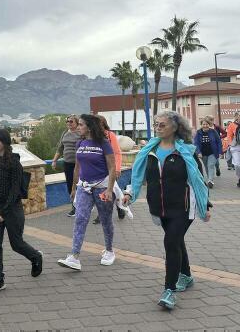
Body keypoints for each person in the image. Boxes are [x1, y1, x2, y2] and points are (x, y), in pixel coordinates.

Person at [124, 110, 211, 310]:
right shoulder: (149, 151)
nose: (158, 128)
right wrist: (130, 193)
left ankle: (169, 290)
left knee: (170, 242)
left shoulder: (186, 151)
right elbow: (138, 176)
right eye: (156, 124)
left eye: (162, 124)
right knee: (176, 241)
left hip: (183, 208)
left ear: (175, 127)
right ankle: (186, 276)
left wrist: (206, 205)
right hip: (159, 208)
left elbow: (199, 180)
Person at [0, 129, 43, 294]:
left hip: (12, 209)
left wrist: (3, 212)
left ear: (4, 142)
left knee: (16, 244)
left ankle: (36, 257)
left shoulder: (14, 163)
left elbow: (15, 191)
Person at [57, 114, 117, 271]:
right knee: (80, 218)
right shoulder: (80, 143)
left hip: (102, 187)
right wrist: (73, 188)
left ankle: (109, 251)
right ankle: (74, 257)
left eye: (81, 125)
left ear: (89, 127)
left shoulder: (104, 143)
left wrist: (110, 189)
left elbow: (112, 167)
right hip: (84, 187)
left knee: (105, 220)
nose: (78, 127)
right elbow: (77, 167)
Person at [93, 115, 123, 223]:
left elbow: (117, 153)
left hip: (111, 169)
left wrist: (118, 169)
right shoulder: (93, 137)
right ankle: (101, 214)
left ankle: (119, 207)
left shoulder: (110, 135)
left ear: (103, 124)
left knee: (113, 190)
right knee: (100, 192)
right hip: (99, 170)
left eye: (98, 123)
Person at [51, 115, 81, 217]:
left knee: (79, 184)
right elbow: (60, 148)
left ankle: (82, 205)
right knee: (69, 184)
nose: (68, 123)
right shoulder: (65, 133)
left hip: (79, 163)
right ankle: (74, 206)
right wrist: (54, 161)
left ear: (76, 123)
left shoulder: (81, 134)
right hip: (67, 163)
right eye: (67, 121)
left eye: (71, 121)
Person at [194, 118, 222, 189]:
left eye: (206, 124)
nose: (205, 125)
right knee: (206, 166)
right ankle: (210, 178)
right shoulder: (198, 132)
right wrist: (198, 152)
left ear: (209, 125)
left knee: (210, 165)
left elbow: (218, 142)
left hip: (213, 152)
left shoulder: (213, 131)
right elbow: (196, 143)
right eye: (203, 124)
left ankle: (210, 181)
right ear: (201, 125)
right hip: (203, 153)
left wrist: (220, 152)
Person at [227, 112, 240, 186]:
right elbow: (229, 136)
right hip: (236, 147)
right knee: (237, 165)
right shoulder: (232, 125)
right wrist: (231, 144)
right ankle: (239, 178)